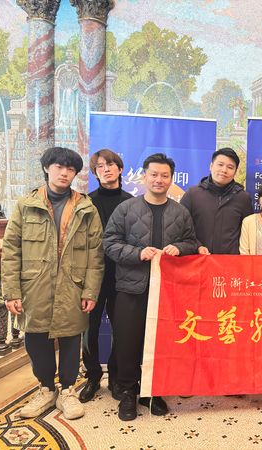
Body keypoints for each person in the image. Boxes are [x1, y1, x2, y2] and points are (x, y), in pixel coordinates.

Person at [2, 147, 104, 420]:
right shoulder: (26, 205)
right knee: (36, 337)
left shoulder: (86, 208)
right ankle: (46, 389)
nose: (64, 173)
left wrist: (91, 291)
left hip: (73, 285)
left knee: (71, 337)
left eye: (70, 169)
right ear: (47, 168)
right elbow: (11, 251)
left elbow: (96, 254)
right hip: (34, 285)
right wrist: (11, 291)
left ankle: (67, 391)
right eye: (59, 167)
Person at [103, 153, 199, 421]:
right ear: (144, 176)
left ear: (171, 179)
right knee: (127, 342)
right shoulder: (126, 209)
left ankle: (153, 392)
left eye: (165, 175)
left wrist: (179, 247)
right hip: (131, 288)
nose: (159, 180)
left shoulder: (180, 212)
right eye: (154, 174)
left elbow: (192, 242)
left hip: (167, 291)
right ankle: (128, 392)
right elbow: (109, 242)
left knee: (160, 343)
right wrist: (137, 253)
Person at [79, 149, 133, 404]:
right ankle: (92, 376)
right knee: (89, 329)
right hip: (92, 277)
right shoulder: (85, 203)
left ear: (120, 169)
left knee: (121, 329)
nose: (106, 169)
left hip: (123, 276)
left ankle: (115, 376)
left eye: (111, 164)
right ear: (95, 173)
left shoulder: (132, 203)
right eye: (100, 166)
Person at [180, 147, 253, 255]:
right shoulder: (193, 193)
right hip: (198, 259)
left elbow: (248, 232)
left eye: (230, 167)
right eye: (220, 165)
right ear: (211, 166)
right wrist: (198, 246)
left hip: (230, 261)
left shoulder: (243, 198)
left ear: (235, 172)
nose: (224, 170)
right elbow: (181, 227)